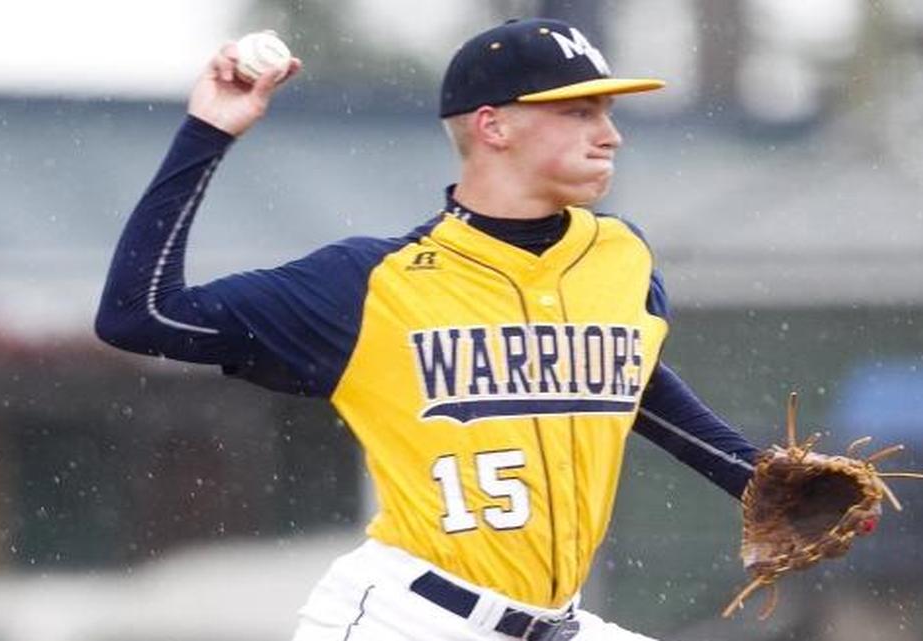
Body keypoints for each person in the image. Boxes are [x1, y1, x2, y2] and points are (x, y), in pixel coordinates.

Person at [96, 17, 759, 641]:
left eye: (607, 112)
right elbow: (140, 312)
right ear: (493, 126)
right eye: (578, 111)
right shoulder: (369, 282)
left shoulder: (620, 254)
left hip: (558, 619)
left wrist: (750, 473)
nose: (610, 134)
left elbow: (626, 378)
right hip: (410, 616)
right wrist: (208, 133)